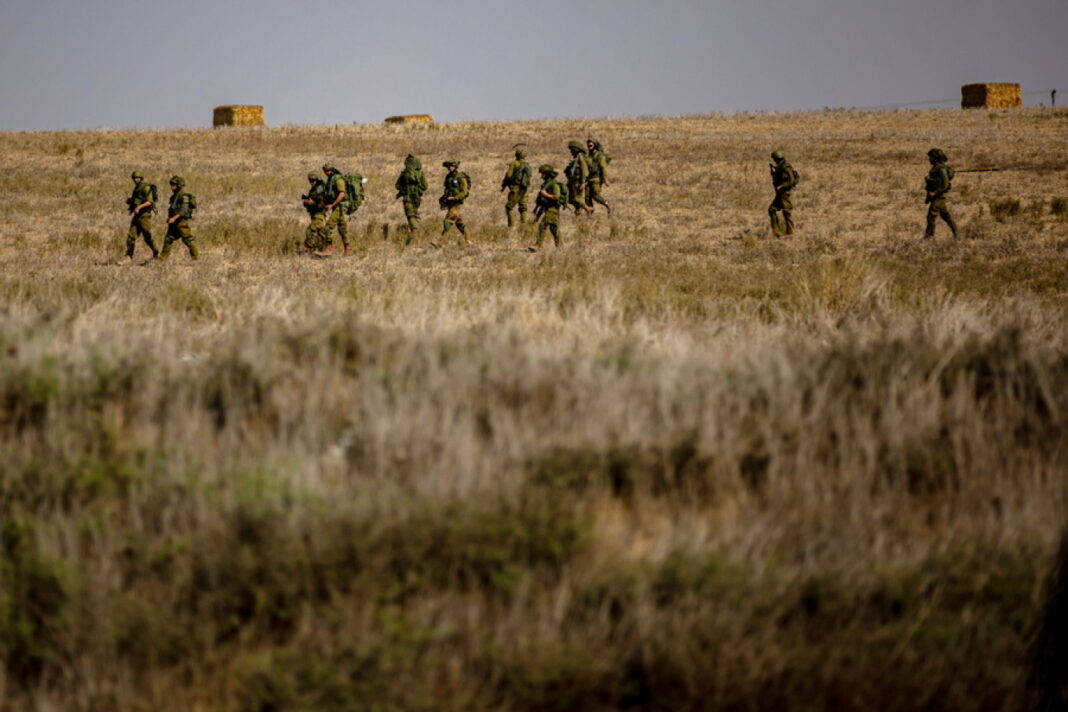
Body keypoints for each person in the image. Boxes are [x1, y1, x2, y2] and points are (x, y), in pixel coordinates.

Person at [158, 176, 198, 261]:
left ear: (179, 185)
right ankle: (163, 258)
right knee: (168, 239)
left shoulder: (184, 196)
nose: (171, 187)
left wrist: (174, 218)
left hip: (181, 222)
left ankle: (196, 257)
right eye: (171, 185)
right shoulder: (174, 196)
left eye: (174, 185)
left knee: (187, 239)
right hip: (174, 222)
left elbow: (183, 211)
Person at [924, 148, 959, 239]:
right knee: (946, 216)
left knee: (931, 216)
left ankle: (928, 237)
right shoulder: (936, 168)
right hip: (937, 196)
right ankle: (957, 234)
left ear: (935, 158)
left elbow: (945, 184)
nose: (929, 159)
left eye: (931, 157)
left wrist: (935, 192)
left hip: (939, 196)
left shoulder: (941, 169)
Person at [434, 160, 470, 247]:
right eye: (448, 166)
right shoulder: (448, 177)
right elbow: (447, 189)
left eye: (452, 166)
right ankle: (468, 240)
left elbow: (464, 191)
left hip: (457, 203)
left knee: (448, 220)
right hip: (450, 203)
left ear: (456, 167)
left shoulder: (461, 177)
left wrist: (455, 197)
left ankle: (440, 241)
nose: (450, 168)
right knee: (459, 222)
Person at [528, 164, 564, 251]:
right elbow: (540, 198)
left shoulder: (554, 184)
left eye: (543, 174)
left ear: (547, 174)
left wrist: (546, 194)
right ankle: (560, 246)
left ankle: (538, 244)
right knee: (554, 227)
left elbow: (556, 196)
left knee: (543, 225)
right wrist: (536, 208)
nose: (541, 176)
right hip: (546, 207)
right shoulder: (546, 184)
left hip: (552, 208)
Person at [124, 171, 158, 261]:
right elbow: (137, 200)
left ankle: (156, 251)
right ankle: (128, 257)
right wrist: (130, 201)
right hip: (137, 215)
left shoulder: (146, 187)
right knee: (130, 237)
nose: (136, 180)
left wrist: (139, 207)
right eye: (134, 178)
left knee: (147, 236)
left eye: (137, 178)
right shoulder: (137, 188)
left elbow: (150, 201)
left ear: (141, 178)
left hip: (144, 216)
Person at [317, 163, 350, 257]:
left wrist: (332, 205)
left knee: (328, 227)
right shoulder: (331, 179)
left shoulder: (338, 179)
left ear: (332, 170)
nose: (326, 173)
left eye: (328, 171)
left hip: (341, 206)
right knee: (342, 228)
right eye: (325, 171)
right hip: (337, 206)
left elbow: (342, 194)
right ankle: (348, 249)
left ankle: (329, 247)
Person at [394, 154, 428, 242]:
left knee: (410, 215)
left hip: (407, 197)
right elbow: (425, 186)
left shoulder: (404, 174)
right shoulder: (420, 173)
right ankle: (417, 232)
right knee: (415, 213)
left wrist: (403, 190)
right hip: (417, 197)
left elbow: (397, 185)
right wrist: (419, 190)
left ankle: (414, 233)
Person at [768, 150, 799, 237]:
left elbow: (791, 180)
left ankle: (790, 232)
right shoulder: (780, 167)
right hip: (780, 193)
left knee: (786, 211)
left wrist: (781, 186)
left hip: (784, 193)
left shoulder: (786, 168)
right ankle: (776, 231)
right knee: (772, 209)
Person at [500, 146, 531, 227]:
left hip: (515, 189)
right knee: (523, 208)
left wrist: (505, 183)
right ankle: (524, 226)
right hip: (525, 189)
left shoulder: (514, 163)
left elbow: (509, 175)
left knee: (509, 207)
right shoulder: (527, 165)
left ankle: (511, 226)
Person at [300, 171, 328, 254]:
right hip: (315, 214)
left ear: (317, 180)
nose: (311, 182)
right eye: (310, 180)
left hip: (319, 214)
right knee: (321, 233)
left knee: (310, 231)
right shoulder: (315, 189)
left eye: (313, 180)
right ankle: (322, 248)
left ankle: (307, 248)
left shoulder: (319, 189)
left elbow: (321, 204)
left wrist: (310, 203)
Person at [564, 141, 592, 217]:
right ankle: (578, 214)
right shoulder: (576, 158)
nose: (571, 151)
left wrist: (583, 182)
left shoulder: (581, 157)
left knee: (576, 198)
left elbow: (584, 170)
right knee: (570, 199)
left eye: (572, 149)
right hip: (572, 181)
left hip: (578, 182)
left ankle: (587, 209)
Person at [585, 138, 612, 215]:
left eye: (591, 145)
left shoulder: (600, 156)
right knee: (587, 197)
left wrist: (605, 179)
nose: (589, 146)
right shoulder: (588, 155)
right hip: (588, 179)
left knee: (595, 195)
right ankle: (590, 213)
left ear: (595, 145)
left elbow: (603, 168)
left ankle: (607, 205)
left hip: (596, 178)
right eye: (588, 145)